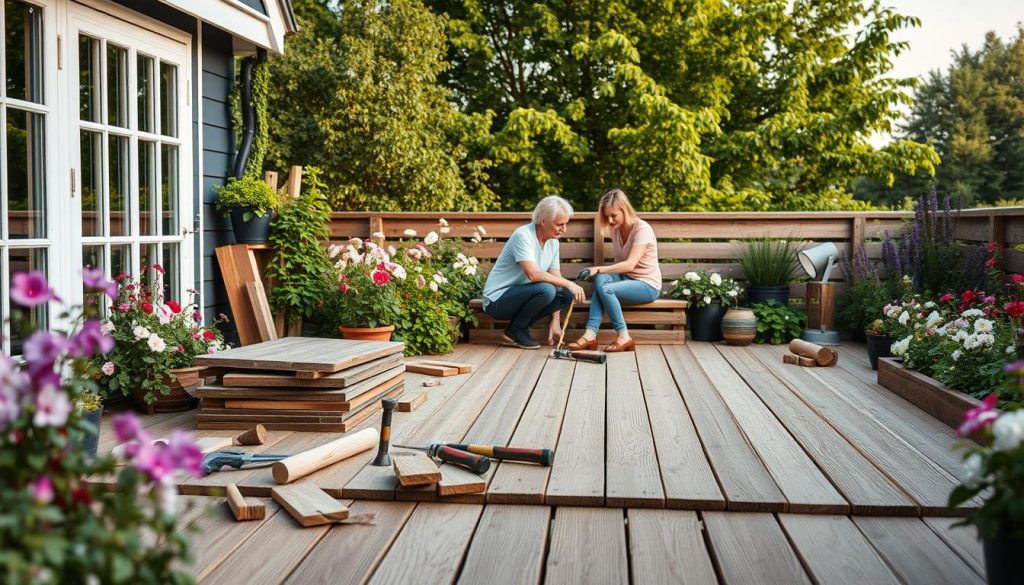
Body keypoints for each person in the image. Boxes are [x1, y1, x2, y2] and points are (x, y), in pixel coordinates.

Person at [482, 196, 586, 349]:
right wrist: (569, 283)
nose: (564, 229)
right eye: (559, 224)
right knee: (547, 289)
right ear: (543, 221)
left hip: (522, 296)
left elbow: (556, 278)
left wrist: (556, 320)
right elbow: (534, 274)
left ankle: (515, 329)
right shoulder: (523, 235)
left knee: (567, 294)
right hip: (497, 301)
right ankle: (517, 330)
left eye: (565, 224)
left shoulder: (553, 242)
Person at [568, 189, 662, 352]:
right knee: (600, 280)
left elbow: (630, 264)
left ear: (624, 210)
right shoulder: (616, 229)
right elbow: (620, 264)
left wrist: (598, 268)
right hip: (626, 279)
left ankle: (623, 336)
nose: (610, 220)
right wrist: (599, 274)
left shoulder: (642, 230)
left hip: (647, 285)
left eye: (613, 215)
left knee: (605, 287)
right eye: (606, 216)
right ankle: (590, 334)